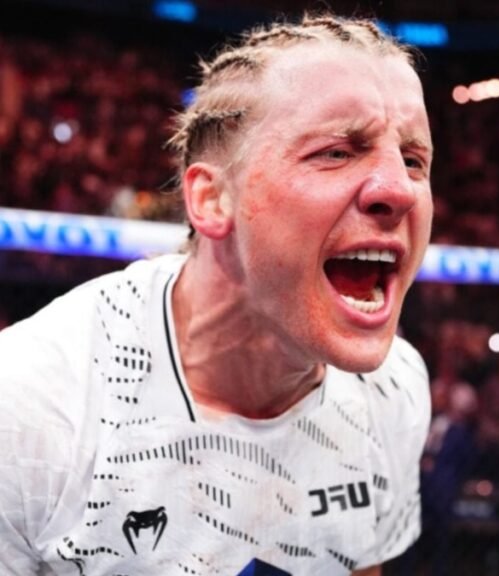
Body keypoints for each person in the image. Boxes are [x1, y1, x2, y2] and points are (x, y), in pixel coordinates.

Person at [0, 14, 433, 575]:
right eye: (337, 151)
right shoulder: (31, 402)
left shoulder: (394, 387)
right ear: (211, 199)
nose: (399, 187)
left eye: (415, 159)